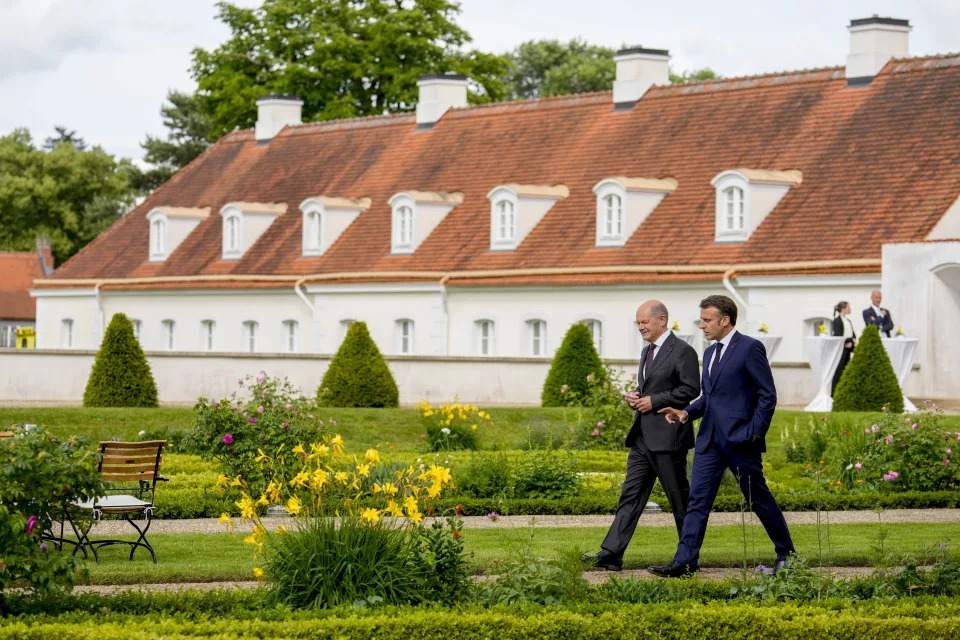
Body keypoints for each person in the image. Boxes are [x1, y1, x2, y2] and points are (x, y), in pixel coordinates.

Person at [650, 295, 795, 578]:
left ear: (725, 320)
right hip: (710, 441)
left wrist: (754, 432)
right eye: (701, 320)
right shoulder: (709, 353)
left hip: (741, 441)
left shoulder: (750, 348)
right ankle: (685, 561)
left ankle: (787, 554)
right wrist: (686, 413)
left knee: (758, 499)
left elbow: (767, 395)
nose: (701, 325)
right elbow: (710, 398)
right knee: (698, 501)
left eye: (706, 320)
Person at [581, 300, 700, 571]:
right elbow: (649, 387)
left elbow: (691, 389)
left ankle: (688, 558)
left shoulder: (683, 351)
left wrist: (654, 401)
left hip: (669, 437)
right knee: (630, 496)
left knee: (679, 500)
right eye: (638, 323)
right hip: (642, 437)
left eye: (645, 322)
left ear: (662, 320)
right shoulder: (647, 351)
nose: (641, 327)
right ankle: (611, 553)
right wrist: (637, 397)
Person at [831, 301, 856, 396]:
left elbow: (853, 334)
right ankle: (834, 394)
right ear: (843, 308)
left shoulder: (848, 321)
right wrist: (848, 341)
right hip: (841, 350)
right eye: (848, 307)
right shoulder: (837, 321)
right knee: (838, 371)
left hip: (848, 350)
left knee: (847, 372)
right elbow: (838, 335)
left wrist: (852, 341)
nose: (850, 309)